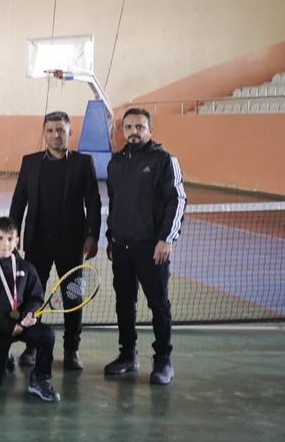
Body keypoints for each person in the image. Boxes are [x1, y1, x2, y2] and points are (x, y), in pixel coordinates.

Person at [9, 111, 102, 370]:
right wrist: (12, 234)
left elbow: (93, 202)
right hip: (36, 242)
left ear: (69, 132)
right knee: (32, 297)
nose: (55, 135)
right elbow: (19, 201)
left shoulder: (84, 163)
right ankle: (31, 345)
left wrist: (92, 235)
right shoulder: (30, 162)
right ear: (44, 133)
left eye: (60, 130)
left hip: (71, 244)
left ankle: (71, 349)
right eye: (50, 130)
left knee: (73, 297)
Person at [105, 108, 185, 385]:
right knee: (124, 303)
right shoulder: (116, 163)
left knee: (158, 305)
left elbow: (178, 200)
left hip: (152, 248)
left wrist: (167, 239)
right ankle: (128, 354)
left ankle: (163, 360)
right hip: (122, 247)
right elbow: (114, 204)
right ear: (122, 131)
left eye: (140, 126)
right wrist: (110, 238)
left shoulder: (164, 160)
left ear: (150, 129)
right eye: (128, 127)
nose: (134, 131)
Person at [0, 217, 60, 402]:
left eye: (10, 239)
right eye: (1, 238)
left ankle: (39, 380)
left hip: (21, 325)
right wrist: (7, 324)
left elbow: (36, 297)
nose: (5, 244)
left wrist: (28, 315)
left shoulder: (27, 268)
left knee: (47, 335)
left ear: (17, 241)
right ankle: (4, 357)